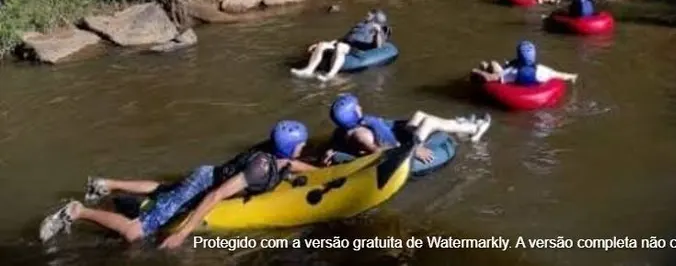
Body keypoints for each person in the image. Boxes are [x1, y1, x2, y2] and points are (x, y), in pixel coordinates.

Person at [39, 121, 315, 248]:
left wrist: (326, 170)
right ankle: (77, 211)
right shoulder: (259, 169)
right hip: (203, 186)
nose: (303, 147)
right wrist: (183, 233)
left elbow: (292, 165)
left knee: (164, 190)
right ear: (289, 147)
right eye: (301, 144)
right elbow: (216, 195)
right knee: (135, 232)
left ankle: (106, 184)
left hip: (207, 174)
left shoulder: (276, 155)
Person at [324, 94, 492, 166]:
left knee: (419, 115)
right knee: (429, 122)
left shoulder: (348, 128)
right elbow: (381, 152)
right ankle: (474, 128)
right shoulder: (361, 135)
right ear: (352, 114)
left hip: (398, 138)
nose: (360, 107)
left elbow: (337, 144)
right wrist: (414, 150)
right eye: (357, 107)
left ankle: (462, 127)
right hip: (404, 147)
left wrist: (333, 151)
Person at [291, 9, 390, 80]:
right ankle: (308, 71)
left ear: (375, 18)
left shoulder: (379, 30)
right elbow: (344, 38)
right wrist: (330, 42)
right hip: (346, 44)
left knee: (341, 46)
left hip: (358, 49)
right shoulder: (360, 25)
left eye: (370, 14)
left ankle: (330, 75)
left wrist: (377, 33)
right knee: (322, 44)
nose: (367, 14)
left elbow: (378, 46)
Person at [471, 40, 578, 85]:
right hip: (531, 80)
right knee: (495, 65)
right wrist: (572, 76)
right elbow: (561, 75)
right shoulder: (542, 71)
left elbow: (489, 78)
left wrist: (476, 71)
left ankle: (484, 66)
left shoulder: (511, 72)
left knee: (492, 63)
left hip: (508, 77)